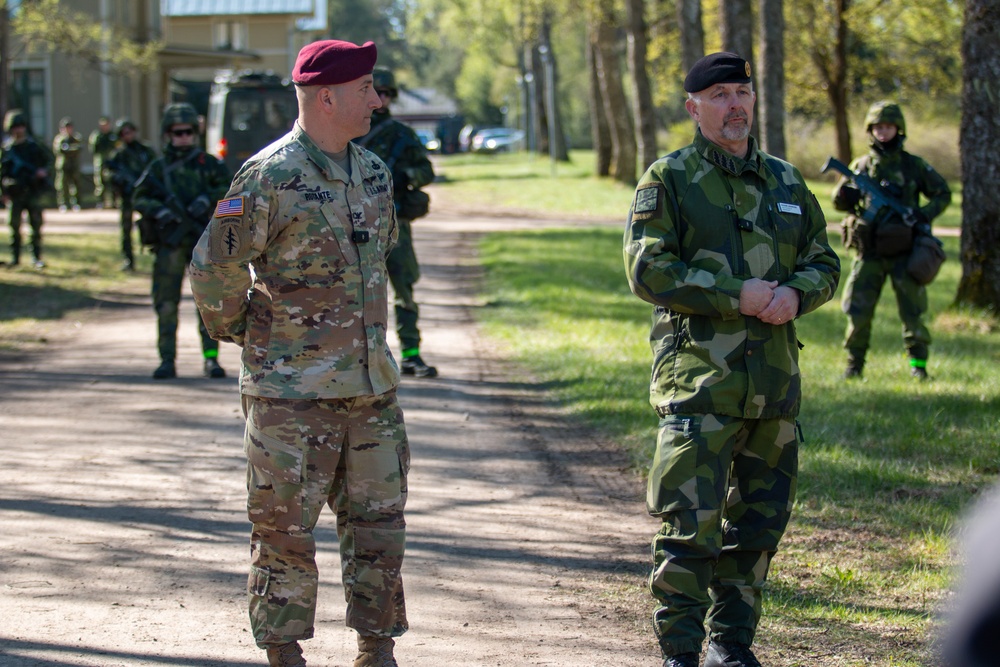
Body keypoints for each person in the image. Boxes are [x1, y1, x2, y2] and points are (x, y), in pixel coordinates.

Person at [189, 39, 409, 667]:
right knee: (284, 531)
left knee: (379, 527)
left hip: (371, 390)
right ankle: (284, 652)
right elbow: (214, 269)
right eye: (366, 88)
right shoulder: (268, 175)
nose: (377, 98)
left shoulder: (372, 171)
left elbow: (378, 260)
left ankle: (377, 647)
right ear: (328, 96)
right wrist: (251, 336)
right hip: (291, 398)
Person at [622, 53, 841, 667]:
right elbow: (647, 270)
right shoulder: (669, 179)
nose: (735, 105)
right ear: (693, 108)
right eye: (719, 95)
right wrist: (732, 294)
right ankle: (681, 654)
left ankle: (732, 647)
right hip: (701, 389)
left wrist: (799, 293)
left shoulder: (787, 182)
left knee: (758, 533)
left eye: (742, 92)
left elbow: (825, 261)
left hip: (774, 392)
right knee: (690, 531)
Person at [832, 101, 951, 380]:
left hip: (905, 253)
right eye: (877, 127)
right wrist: (846, 198)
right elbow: (839, 199)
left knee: (913, 312)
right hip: (869, 252)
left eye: (888, 127)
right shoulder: (861, 166)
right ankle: (854, 364)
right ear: (870, 131)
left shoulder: (914, 166)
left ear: (899, 129)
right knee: (858, 311)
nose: (882, 132)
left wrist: (922, 215)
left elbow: (943, 193)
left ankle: (918, 367)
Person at [132, 103, 230, 380]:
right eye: (178, 132)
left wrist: (207, 199)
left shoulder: (209, 165)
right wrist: (158, 210)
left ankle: (211, 359)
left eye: (188, 131)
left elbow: (231, 190)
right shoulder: (158, 168)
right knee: (165, 303)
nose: (183, 137)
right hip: (170, 244)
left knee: (207, 304)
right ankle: (167, 359)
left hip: (201, 242)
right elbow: (138, 197)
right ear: (168, 134)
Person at [357, 67, 438, 378]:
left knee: (403, 290)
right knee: (355, 295)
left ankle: (411, 354)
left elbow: (426, 170)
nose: (381, 99)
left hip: (395, 223)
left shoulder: (401, 134)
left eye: (387, 94)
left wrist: (407, 176)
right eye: (376, 92)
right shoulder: (346, 131)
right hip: (354, 225)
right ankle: (361, 361)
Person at [1, 109, 52, 269]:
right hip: (15, 192)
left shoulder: (34, 146)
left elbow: (49, 161)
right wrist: (3, 192)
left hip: (32, 191)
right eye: (15, 127)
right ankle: (15, 258)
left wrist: (43, 171)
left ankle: (36, 257)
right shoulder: (7, 149)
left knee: (35, 226)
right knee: (14, 226)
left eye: (21, 126)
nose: (18, 130)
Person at [105, 118, 157, 271]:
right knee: (126, 228)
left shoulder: (145, 150)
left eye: (130, 131)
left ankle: (155, 254)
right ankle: (128, 259)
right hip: (127, 196)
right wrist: (118, 179)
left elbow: (156, 169)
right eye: (124, 133)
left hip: (145, 195)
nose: (128, 135)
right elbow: (108, 173)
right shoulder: (118, 154)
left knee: (152, 224)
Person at [52, 116, 84, 211]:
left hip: (74, 165)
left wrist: (69, 149)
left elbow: (78, 148)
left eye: (69, 127)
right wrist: (69, 149)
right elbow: (59, 150)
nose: (67, 130)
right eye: (65, 127)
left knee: (76, 184)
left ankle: (76, 203)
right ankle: (63, 203)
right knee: (62, 185)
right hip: (63, 165)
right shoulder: (59, 139)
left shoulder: (76, 137)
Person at [88, 116, 118, 209]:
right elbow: (92, 149)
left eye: (106, 124)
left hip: (112, 161)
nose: (105, 126)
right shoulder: (97, 135)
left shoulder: (113, 136)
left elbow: (119, 147)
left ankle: (114, 201)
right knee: (99, 182)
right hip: (100, 161)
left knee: (113, 181)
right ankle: (100, 202)